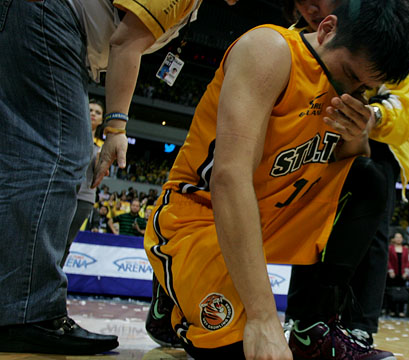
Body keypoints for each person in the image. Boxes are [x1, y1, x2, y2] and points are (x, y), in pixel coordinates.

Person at [143, 1, 409, 358]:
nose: (353, 90)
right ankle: (170, 296)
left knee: (371, 178)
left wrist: (356, 136)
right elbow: (229, 177)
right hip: (204, 214)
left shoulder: (349, 87)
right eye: (352, 76)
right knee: (235, 351)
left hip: (270, 214)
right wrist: (262, 318)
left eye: (366, 87)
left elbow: (350, 179)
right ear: (326, 30)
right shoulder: (269, 50)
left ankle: (312, 325)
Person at [0, 1, 241, 354]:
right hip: (49, 15)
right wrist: (115, 126)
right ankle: (26, 312)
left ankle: (16, 306)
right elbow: (125, 41)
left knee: (28, 156)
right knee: (59, 153)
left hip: (38, 18)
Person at [282, 0, 409, 346]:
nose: (310, 9)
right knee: (316, 225)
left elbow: (406, 108)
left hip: (378, 144)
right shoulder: (286, 39)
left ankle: (359, 324)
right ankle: (303, 319)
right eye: (303, 4)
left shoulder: (388, 39)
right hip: (319, 140)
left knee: (374, 233)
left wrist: (371, 117)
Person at [61, 99, 105, 266]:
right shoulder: (67, 134)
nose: (93, 113)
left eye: (98, 112)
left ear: (102, 120)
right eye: (91, 110)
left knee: (66, 241)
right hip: (62, 191)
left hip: (84, 197)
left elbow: (98, 174)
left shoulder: (102, 146)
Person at [386, 233, 409, 317]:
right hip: (392, 273)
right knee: (392, 291)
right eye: (397, 237)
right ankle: (392, 310)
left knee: (402, 292)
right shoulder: (390, 248)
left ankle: (401, 311)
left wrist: (406, 272)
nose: (398, 239)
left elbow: (407, 262)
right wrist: (390, 270)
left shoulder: (405, 249)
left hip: (402, 273)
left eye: (400, 237)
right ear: (394, 239)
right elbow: (388, 260)